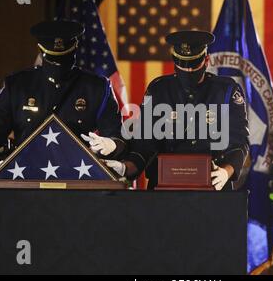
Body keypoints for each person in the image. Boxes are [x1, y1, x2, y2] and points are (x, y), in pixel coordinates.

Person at [0, 20, 125, 188]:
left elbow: (116, 134)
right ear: (40, 50)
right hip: (25, 181)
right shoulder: (17, 86)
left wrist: (112, 145)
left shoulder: (97, 88)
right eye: (54, 60)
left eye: (63, 59)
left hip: (79, 182)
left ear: (75, 48)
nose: (58, 66)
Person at [106, 30, 249, 190]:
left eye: (194, 64)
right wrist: (126, 167)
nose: (187, 70)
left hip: (213, 185)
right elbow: (145, 142)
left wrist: (226, 172)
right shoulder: (159, 89)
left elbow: (239, 141)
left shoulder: (226, 90)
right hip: (164, 187)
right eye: (181, 63)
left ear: (206, 60)